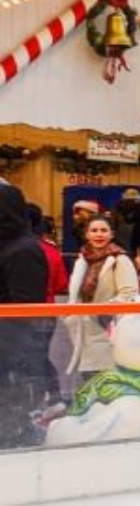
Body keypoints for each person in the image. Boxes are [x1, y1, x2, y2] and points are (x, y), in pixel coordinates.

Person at [0, 185, 49, 448]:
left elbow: (25, 307)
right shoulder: (8, 245)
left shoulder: (23, 250)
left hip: (12, 353)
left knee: (10, 416)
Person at [64, 218, 137, 383]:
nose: (99, 234)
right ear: (86, 234)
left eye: (104, 230)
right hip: (83, 328)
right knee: (88, 376)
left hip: (107, 328)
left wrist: (103, 312)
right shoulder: (82, 260)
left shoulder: (120, 260)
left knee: (105, 378)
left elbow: (129, 293)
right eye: (94, 230)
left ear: (112, 234)